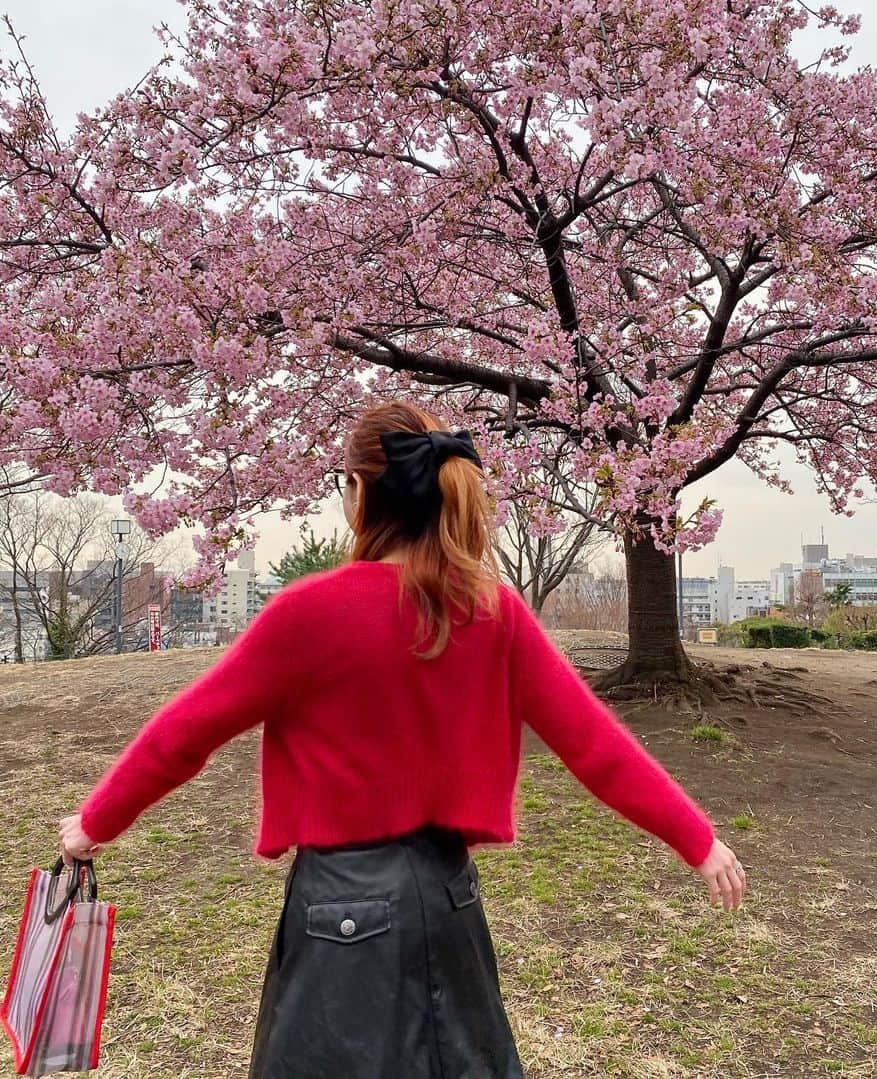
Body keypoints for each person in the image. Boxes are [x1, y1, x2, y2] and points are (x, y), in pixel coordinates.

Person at [57, 402, 746, 1078]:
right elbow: (593, 743)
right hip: (449, 899)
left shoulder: (307, 613)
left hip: (339, 911)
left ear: (361, 492)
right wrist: (697, 838)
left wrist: (95, 823)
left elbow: (184, 733)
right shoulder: (490, 610)